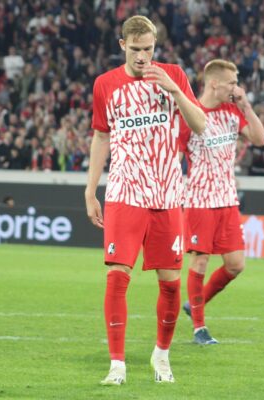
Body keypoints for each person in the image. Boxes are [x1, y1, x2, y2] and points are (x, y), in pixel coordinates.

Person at [85, 15, 206, 386]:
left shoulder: (172, 75)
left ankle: (162, 356)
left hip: (168, 194)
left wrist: (174, 90)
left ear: (156, 46)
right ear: (122, 45)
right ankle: (117, 364)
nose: (142, 56)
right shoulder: (105, 84)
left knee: (170, 283)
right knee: (116, 277)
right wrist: (91, 189)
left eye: (148, 49)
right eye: (135, 49)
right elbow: (101, 136)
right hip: (124, 192)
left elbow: (200, 124)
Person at [179, 59, 264, 345]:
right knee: (200, 261)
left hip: (227, 200)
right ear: (214, 83)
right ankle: (199, 328)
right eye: (231, 82)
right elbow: (174, 154)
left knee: (236, 264)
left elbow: (260, 139)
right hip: (199, 199)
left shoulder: (232, 111)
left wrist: (246, 107)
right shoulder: (191, 114)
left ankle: (195, 304)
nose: (236, 87)